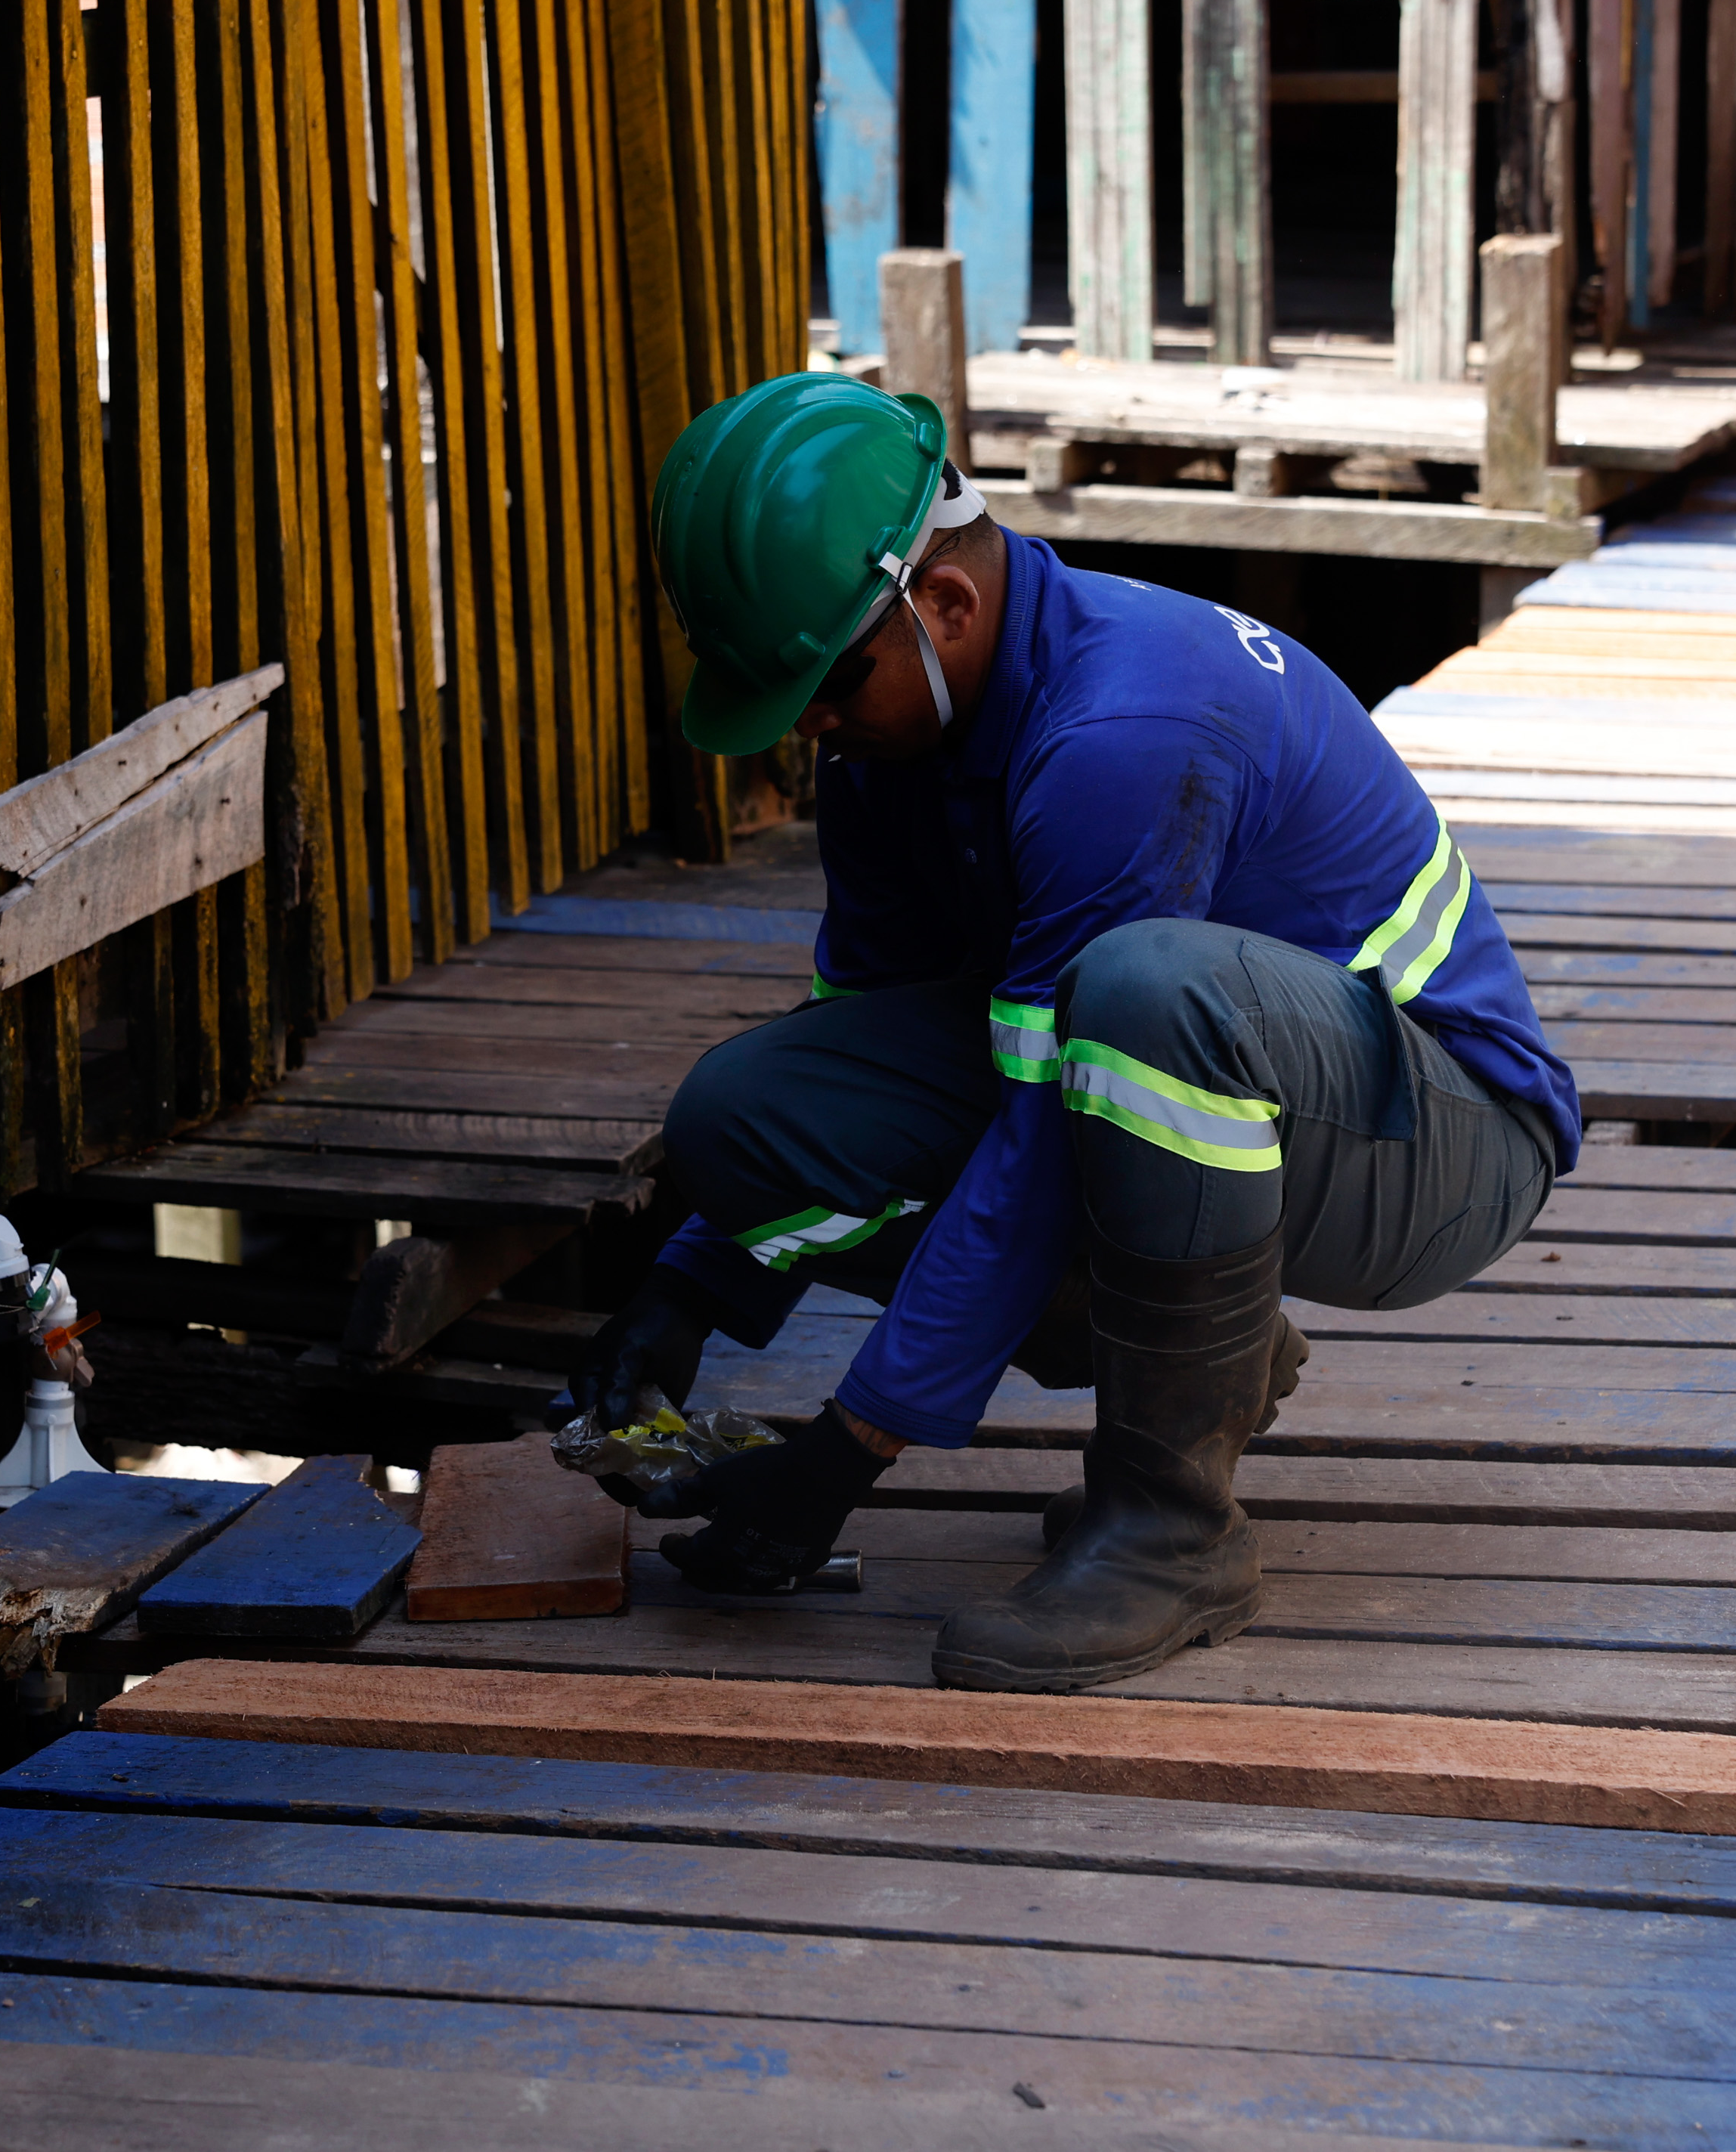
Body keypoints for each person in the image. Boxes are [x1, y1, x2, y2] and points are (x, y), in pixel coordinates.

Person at [570, 372, 1581, 1695]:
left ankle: (1170, 1533)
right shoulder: (891, 748)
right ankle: (1202, 1345)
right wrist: (695, 1283)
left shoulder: (1126, 735)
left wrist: (847, 1449)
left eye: (825, 682)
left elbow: (1047, 1118)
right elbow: (868, 1055)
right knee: (746, 1112)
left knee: (1147, 993)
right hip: (1218, 1103)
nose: (808, 725)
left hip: (1442, 1139)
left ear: (944, 606)